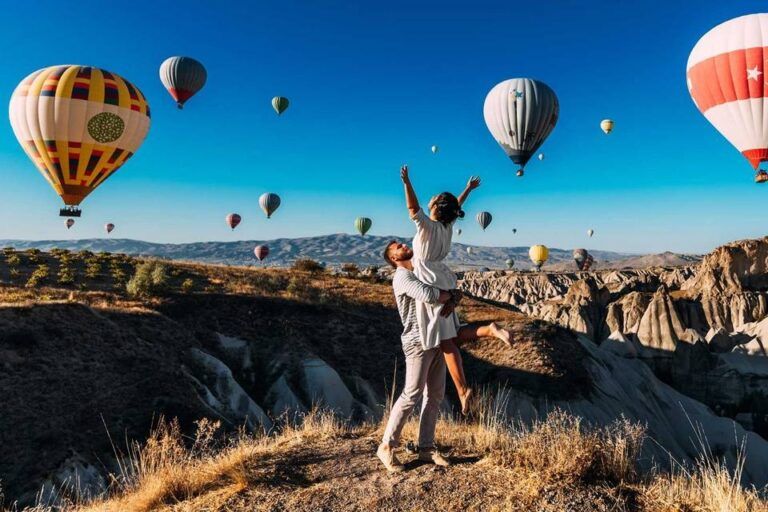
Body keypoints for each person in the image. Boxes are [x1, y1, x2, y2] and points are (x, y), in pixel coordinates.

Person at [377, 240, 512, 472]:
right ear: (394, 258)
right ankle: (387, 447)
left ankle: (426, 448)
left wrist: (453, 296)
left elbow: (450, 291)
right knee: (412, 393)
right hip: (417, 342)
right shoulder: (401, 276)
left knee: (435, 395)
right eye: (397, 247)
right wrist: (450, 296)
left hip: (437, 338)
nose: (403, 244)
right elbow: (428, 294)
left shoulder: (422, 270)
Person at [400, 165, 510, 415]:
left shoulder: (427, 227)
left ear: (436, 208)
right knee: (451, 336)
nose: (429, 200)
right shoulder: (447, 228)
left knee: (446, 341)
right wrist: (468, 190)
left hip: (429, 281)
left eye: (433, 200)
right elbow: (455, 206)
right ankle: (488, 330)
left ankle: (462, 390)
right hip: (443, 278)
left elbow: (412, 208)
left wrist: (407, 182)